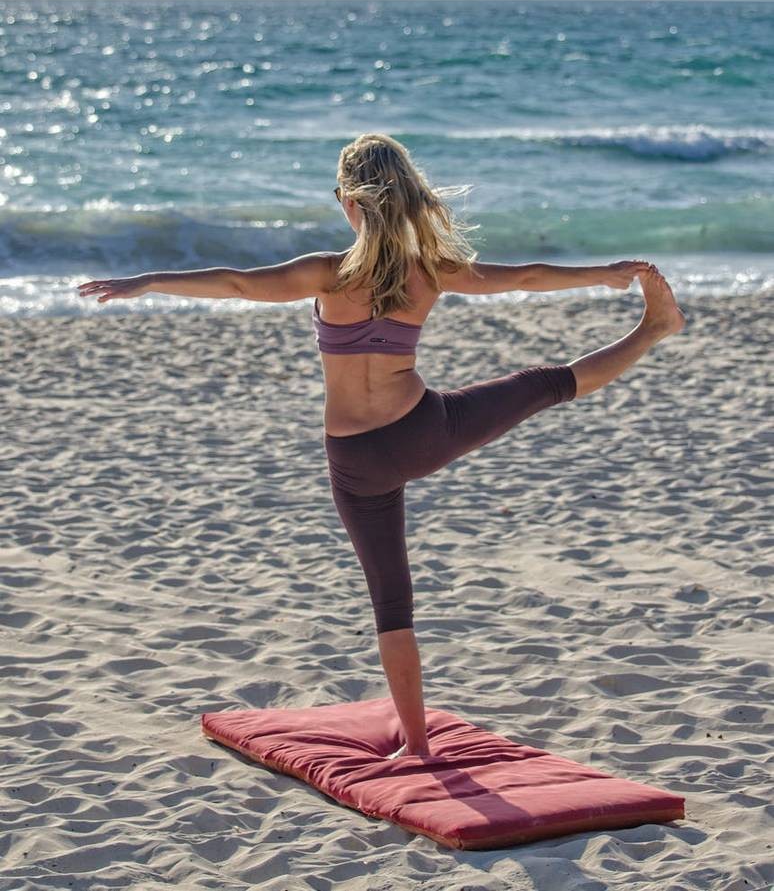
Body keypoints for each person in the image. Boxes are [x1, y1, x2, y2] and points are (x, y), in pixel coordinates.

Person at [77, 131, 685, 761]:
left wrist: (146, 281)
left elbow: (234, 283)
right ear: (408, 198)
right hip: (425, 432)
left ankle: (417, 745)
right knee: (543, 385)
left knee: (391, 603)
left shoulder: (325, 274)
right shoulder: (430, 273)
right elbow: (525, 276)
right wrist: (605, 273)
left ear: (348, 201)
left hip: (356, 461)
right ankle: (653, 329)